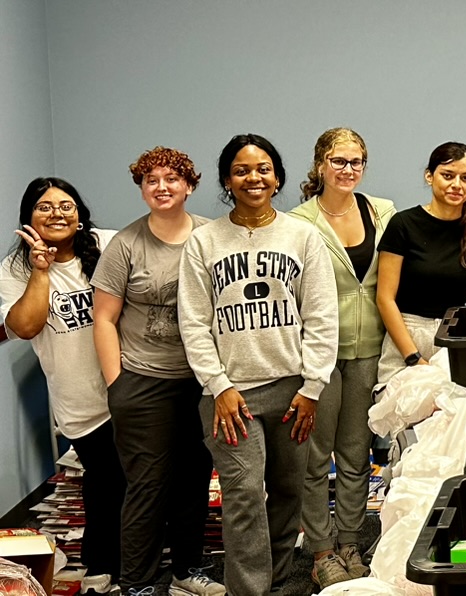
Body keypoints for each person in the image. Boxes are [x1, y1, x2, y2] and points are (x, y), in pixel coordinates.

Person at [177, 134, 337, 596]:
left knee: (288, 490)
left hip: (293, 391)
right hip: (230, 395)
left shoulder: (303, 236)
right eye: (243, 170)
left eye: (263, 168)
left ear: (278, 176)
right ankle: (248, 591)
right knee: (245, 495)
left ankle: (277, 581)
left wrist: (312, 387)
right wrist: (219, 386)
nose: (254, 178)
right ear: (228, 179)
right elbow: (194, 322)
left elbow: (322, 316)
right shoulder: (203, 242)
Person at [90, 148, 224, 596]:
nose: (162, 187)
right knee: (147, 486)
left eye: (172, 178)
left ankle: (187, 570)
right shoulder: (125, 245)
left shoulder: (212, 236)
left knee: (193, 480)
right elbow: (104, 318)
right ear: (142, 189)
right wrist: (118, 383)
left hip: (203, 383)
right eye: (151, 180)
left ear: (189, 185)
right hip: (143, 384)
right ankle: (140, 583)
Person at [0, 178, 124, 594]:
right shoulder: (16, 268)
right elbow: (24, 325)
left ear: (80, 213)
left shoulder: (107, 244)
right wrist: (41, 270)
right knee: (105, 478)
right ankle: (103, 563)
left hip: (129, 386)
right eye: (45, 207)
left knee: (138, 475)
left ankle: (126, 558)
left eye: (66, 205)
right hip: (79, 398)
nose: (57, 213)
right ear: (28, 218)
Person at [289, 128, 396, 588]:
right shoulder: (297, 221)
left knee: (355, 454)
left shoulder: (383, 212)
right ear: (319, 166)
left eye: (356, 162)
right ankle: (321, 550)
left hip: (369, 347)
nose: (348, 170)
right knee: (315, 457)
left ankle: (350, 542)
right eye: (339, 161)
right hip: (318, 354)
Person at [376, 141, 466, 385]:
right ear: (430, 176)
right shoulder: (403, 224)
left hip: (454, 340)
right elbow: (385, 298)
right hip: (406, 338)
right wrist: (413, 358)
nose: (456, 185)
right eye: (448, 176)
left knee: (457, 415)